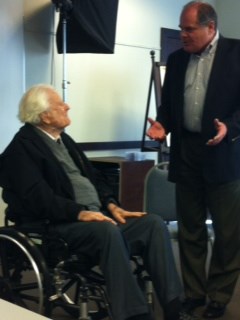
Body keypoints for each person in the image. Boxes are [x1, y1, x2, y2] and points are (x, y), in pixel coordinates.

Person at [0, 84, 183, 320]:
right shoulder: (21, 149)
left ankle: (173, 305)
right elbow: (39, 199)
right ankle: (134, 314)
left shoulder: (64, 140)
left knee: (153, 224)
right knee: (106, 232)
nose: (67, 106)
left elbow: (93, 177)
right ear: (45, 115)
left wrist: (111, 205)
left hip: (95, 218)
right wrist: (79, 213)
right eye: (60, 105)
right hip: (57, 225)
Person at [147, 1, 240, 319]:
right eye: (181, 28)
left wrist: (230, 128)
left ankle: (218, 296)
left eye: (189, 29)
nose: (183, 34)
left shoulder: (236, 53)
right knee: (190, 231)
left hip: (224, 155)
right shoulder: (176, 59)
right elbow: (170, 108)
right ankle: (194, 293)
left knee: (228, 234)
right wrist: (162, 124)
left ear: (210, 27)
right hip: (186, 155)